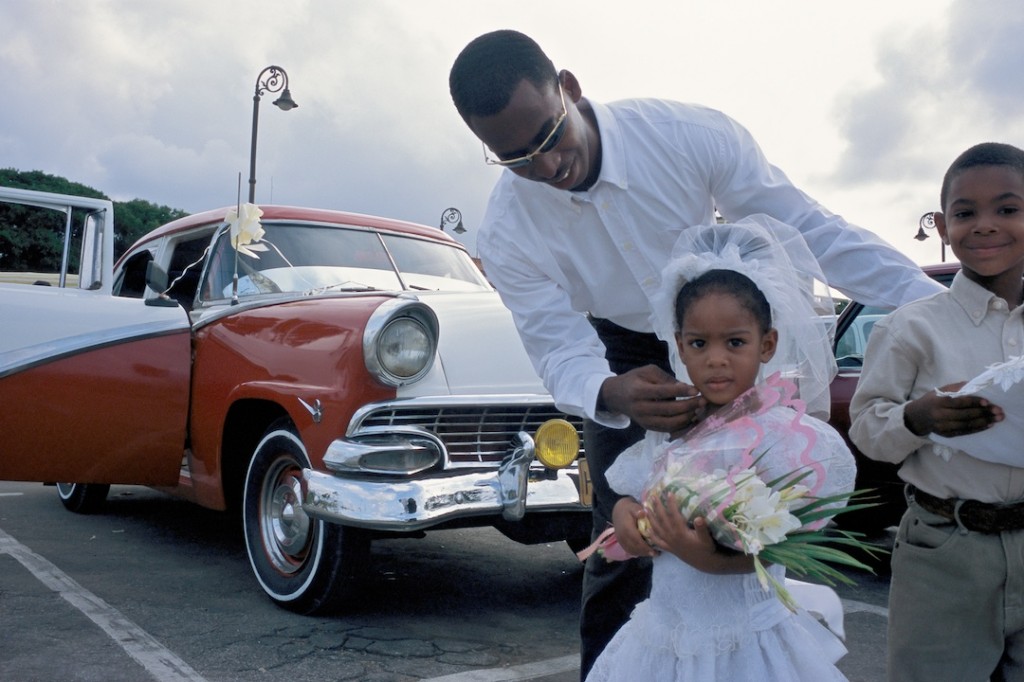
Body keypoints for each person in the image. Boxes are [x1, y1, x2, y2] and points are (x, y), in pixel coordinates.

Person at [448, 29, 944, 677]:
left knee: (758, 528)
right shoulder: (509, 229)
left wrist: (930, 307)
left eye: (547, 136)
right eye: (512, 157)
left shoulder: (686, 135)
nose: (544, 168)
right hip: (619, 356)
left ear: (568, 88)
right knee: (619, 547)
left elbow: (811, 230)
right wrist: (611, 393)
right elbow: (555, 344)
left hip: (725, 331)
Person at [587, 218, 854, 681]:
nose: (715, 358)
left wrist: (707, 558)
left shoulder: (779, 438)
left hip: (744, 642)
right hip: (665, 635)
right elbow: (635, 493)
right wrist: (628, 516)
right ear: (680, 348)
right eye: (699, 343)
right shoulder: (671, 427)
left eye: (735, 342)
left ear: (767, 344)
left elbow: (779, 550)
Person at [849, 142, 1024, 681]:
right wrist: (916, 419)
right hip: (944, 547)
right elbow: (866, 428)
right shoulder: (908, 328)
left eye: (1008, 208)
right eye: (965, 213)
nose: (986, 225)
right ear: (942, 226)